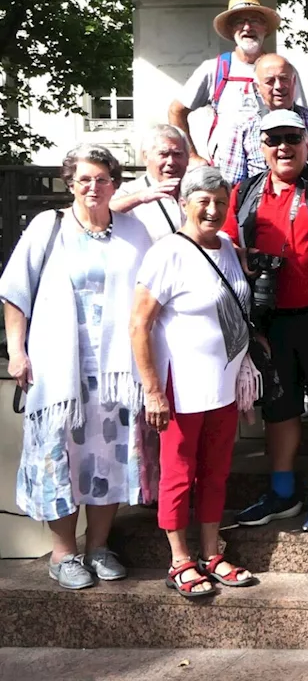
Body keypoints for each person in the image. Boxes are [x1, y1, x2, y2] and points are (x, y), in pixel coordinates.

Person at [1, 145, 154, 590]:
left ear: (114, 184)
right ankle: (64, 552)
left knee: (107, 456)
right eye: (84, 179)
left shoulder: (134, 232)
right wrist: (17, 351)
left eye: (102, 179)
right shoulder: (47, 227)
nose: (93, 187)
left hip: (116, 373)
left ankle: (99, 546)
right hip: (58, 370)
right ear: (70, 183)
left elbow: (151, 294)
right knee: (58, 457)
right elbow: (15, 291)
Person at [225, 109, 308, 534]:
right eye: (273, 140)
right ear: (261, 148)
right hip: (269, 320)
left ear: (307, 143)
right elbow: (229, 249)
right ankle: (282, 492)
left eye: (291, 138)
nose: (283, 147)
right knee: (280, 408)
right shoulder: (243, 192)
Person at [130, 165, 256, 598]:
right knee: (179, 474)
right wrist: (151, 390)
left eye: (221, 202)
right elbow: (138, 324)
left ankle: (211, 552)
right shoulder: (168, 252)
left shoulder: (226, 248)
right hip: (180, 386)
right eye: (204, 201)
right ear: (184, 203)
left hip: (222, 385)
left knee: (217, 472)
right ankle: (179, 559)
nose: (213, 209)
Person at [169, 0, 280, 165]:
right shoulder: (214, 69)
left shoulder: (281, 69)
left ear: (265, 27)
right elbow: (176, 111)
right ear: (230, 30)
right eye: (239, 22)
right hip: (226, 171)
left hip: (273, 168)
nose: (247, 27)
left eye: (255, 20)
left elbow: (299, 115)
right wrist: (191, 157)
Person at [217, 54, 308, 186]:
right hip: (263, 207)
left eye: (284, 79)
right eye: (270, 81)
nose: (278, 86)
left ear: (294, 82)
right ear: (257, 88)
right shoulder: (243, 128)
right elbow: (233, 184)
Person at [112, 125, 190, 242]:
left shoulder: (195, 189)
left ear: (187, 157)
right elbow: (100, 212)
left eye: (177, 154)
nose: (171, 162)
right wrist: (139, 198)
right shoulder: (131, 191)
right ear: (145, 157)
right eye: (163, 154)